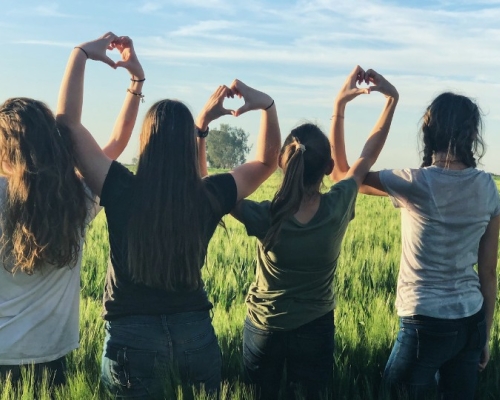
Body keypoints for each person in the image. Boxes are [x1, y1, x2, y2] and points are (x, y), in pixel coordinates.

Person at [56, 32, 281, 398]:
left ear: (146, 142)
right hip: (196, 335)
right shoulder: (210, 194)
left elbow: (66, 124)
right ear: (187, 146)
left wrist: (80, 53)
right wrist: (267, 106)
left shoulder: (120, 187)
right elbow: (267, 161)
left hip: (131, 338)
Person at [228, 66, 398, 399]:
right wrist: (386, 100)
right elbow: (367, 155)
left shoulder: (266, 214)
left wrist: (203, 129)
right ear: (327, 166)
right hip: (315, 327)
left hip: (265, 327)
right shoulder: (338, 206)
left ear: (282, 163)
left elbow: (214, 193)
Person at [332, 88, 499, 399]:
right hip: (471, 323)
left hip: (424, 323)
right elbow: (488, 273)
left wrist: (340, 106)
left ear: (428, 131)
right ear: (472, 134)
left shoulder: (415, 181)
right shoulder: (488, 187)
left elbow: (342, 176)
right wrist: (484, 337)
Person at [0, 36, 144, 388]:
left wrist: (79, 54)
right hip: (52, 359)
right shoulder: (75, 198)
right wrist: (134, 82)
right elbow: (114, 144)